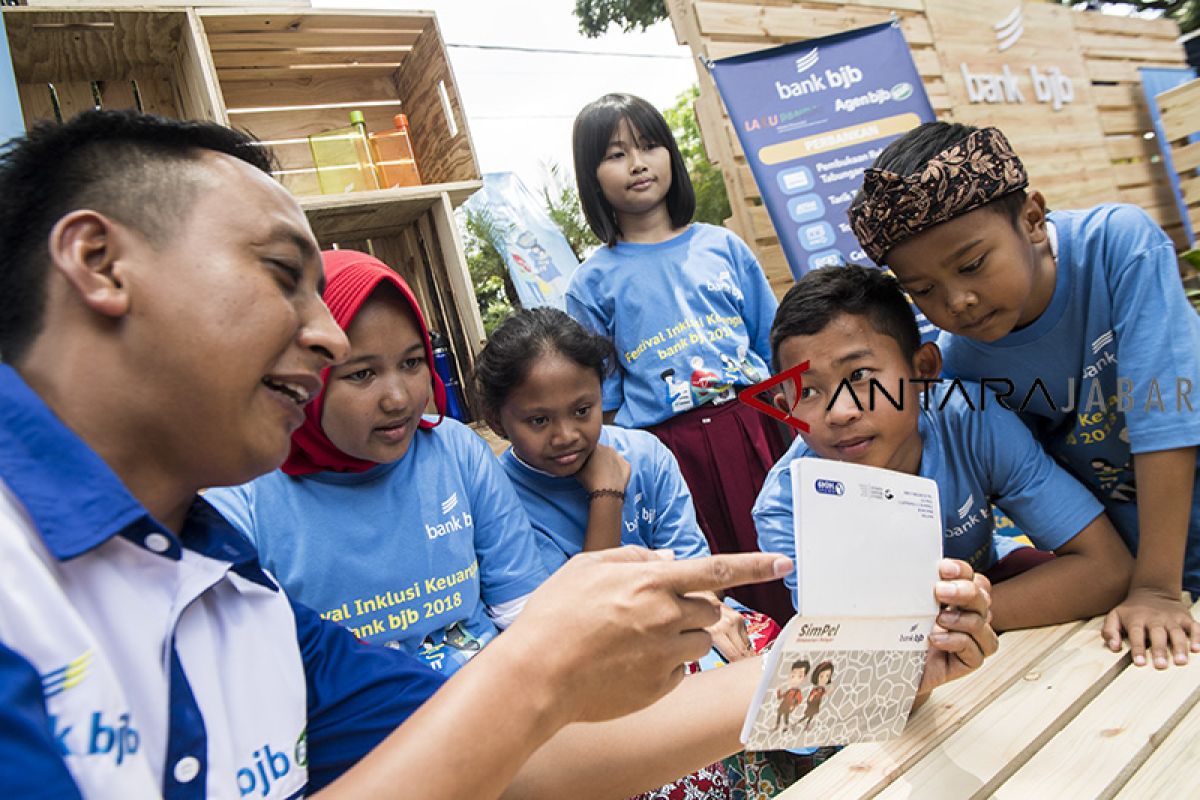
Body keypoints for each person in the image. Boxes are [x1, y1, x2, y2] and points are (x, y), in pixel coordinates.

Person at [0, 109, 997, 799]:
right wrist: (538, 658)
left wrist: (878, 658)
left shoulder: (240, 593)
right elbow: (513, 707)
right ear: (98, 262)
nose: (327, 336)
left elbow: (505, 759)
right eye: (279, 274)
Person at [848, 122, 1200, 668]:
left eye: (972, 265)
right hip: (1138, 582)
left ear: (1032, 219)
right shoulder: (959, 362)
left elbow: (1165, 416)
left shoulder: (1117, 247)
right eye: (923, 291)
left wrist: (1156, 587)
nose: (958, 301)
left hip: (1157, 580)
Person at [205, 250, 549, 675]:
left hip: (497, 697)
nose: (400, 398)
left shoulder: (457, 452)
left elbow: (526, 615)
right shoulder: (244, 500)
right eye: (362, 374)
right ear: (303, 376)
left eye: (411, 363)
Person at [754, 265, 1133, 631]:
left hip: (989, 583)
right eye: (808, 391)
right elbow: (854, 638)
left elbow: (1106, 568)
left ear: (924, 369)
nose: (840, 413)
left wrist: (971, 615)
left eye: (860, 376)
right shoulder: (789, 506)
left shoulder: (970, 420)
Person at [567, 92, 793, 622]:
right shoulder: (592, 282)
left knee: (786, 554)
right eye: (616, 154)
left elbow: (772, 345)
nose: (638, 163)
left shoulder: (725, 247)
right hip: (673, 452)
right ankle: (739, 680)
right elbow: (606, 402)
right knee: (711, 579)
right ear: (591, 174)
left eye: (648, 146)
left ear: (671, 153)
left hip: (755, 429)